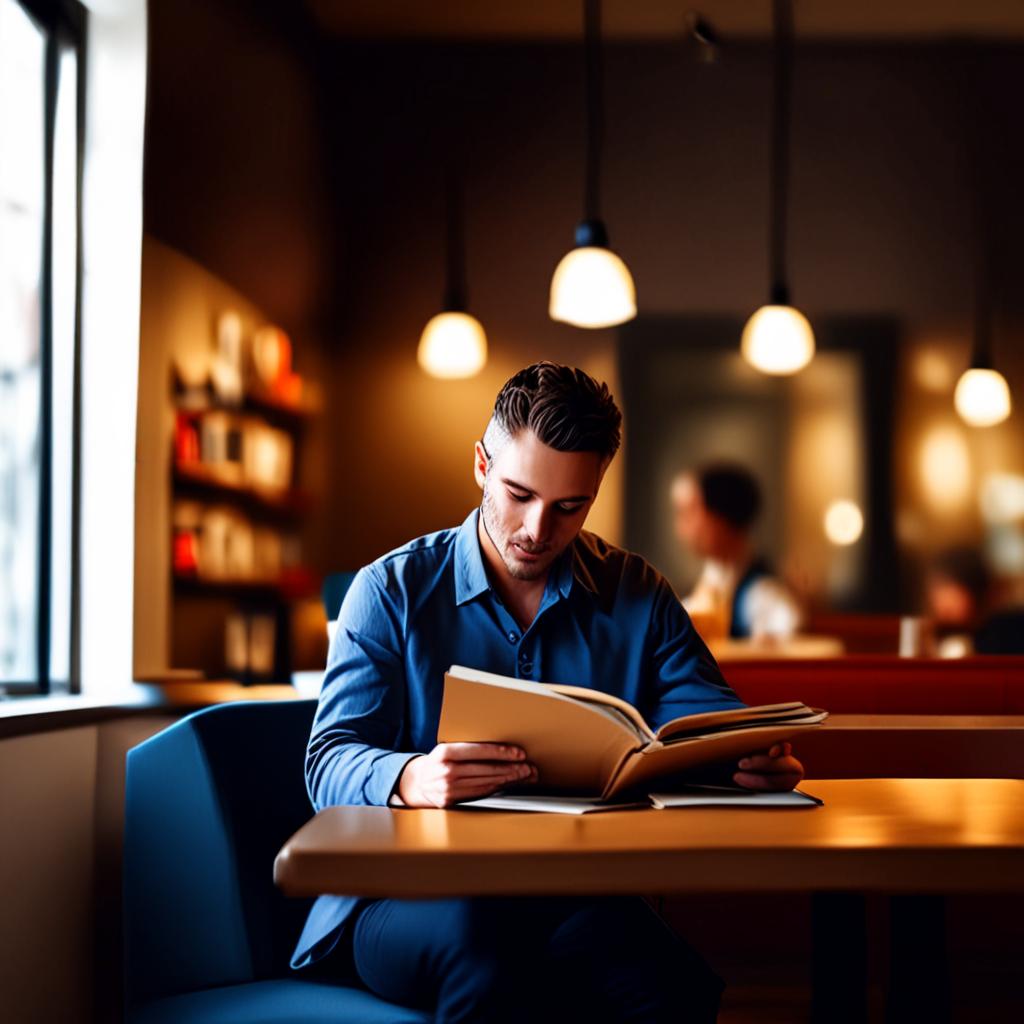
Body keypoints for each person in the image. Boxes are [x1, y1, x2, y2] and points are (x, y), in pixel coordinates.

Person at [294, 363, 805, 1022]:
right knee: (485, 961)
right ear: (481, 466)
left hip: (568, 892)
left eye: (569, 507)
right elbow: (327, 761)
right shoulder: (389, 591)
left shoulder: (637, 593)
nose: (538, 529)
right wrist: (411, 776)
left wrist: (748, 761)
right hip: (402, 893)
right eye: (519, 494)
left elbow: (705, 726)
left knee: (676, 986)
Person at [670, 463, 802, 641]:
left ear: (721, 518)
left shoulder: (761, 593)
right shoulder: (711, 582)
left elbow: (787, 629)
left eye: (689, 513)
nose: (680, 527)